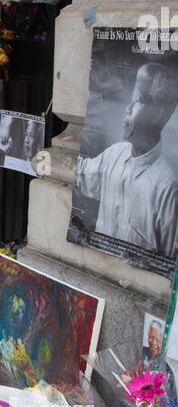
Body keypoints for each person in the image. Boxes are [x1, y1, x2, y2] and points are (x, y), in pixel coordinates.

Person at [74, 61, 178, 262]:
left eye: (137, 100)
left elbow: (168, 262)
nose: (127, 109)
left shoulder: (168, 186)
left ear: (159, 113)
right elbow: (81, 173)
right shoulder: (115, 154)